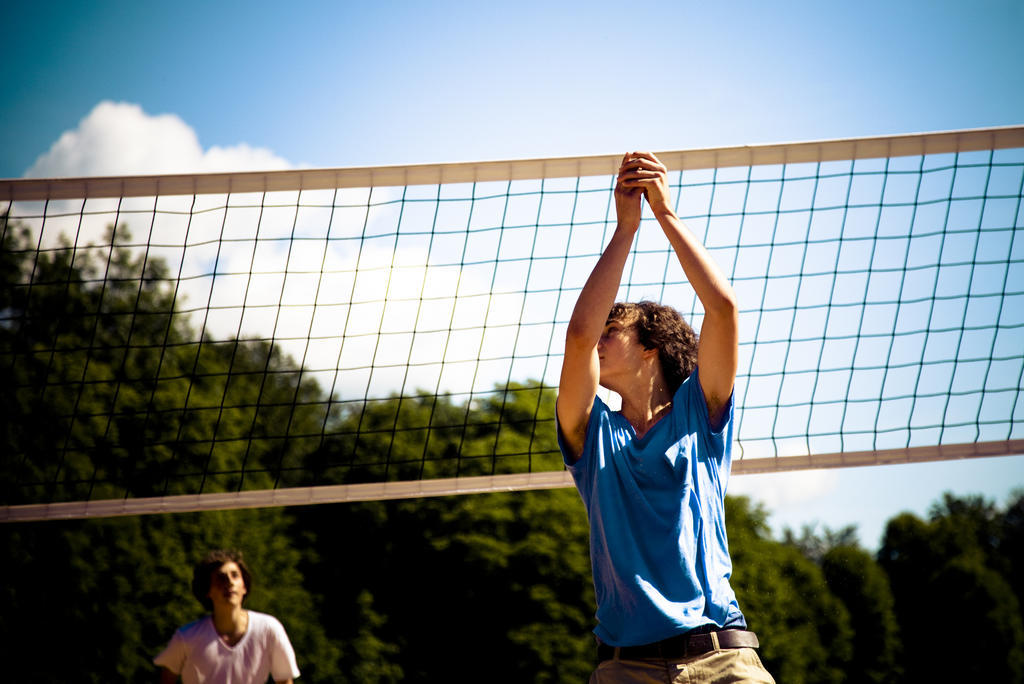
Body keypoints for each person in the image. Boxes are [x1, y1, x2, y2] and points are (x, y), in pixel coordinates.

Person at [556, 152, 775, 683]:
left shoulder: (700, 415)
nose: (600, 340)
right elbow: (578, 336)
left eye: (617, 331)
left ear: (651, 349)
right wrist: (624, 229)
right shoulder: (594, 433)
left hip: (721, 658)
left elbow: (722, 307)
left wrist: (664, 215)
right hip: (624, 667)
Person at [155, 549, 301, 684]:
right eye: (221, 578)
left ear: (244, 586)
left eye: (235, 575)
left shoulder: (269, 629)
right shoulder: (186, 637)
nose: (229, 582)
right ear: (208, 590)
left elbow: (285, 681)